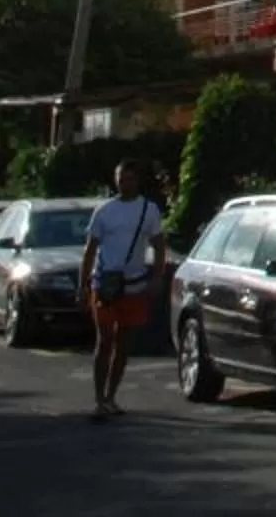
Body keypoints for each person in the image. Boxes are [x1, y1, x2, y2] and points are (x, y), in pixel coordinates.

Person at [79, 163, 168, 421]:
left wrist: (157, 277)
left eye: (129, 179)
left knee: (124, 343)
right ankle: (99, 399)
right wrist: (83, 284)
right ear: (115, 180)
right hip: (105, 285)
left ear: (137, 181)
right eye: (121, 179)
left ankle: (111, 396)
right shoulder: (104, 211)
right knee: (104, 340)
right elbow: (90, 249)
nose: (125, 184)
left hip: (134, 285)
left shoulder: (148, 210)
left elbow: (159, 245)